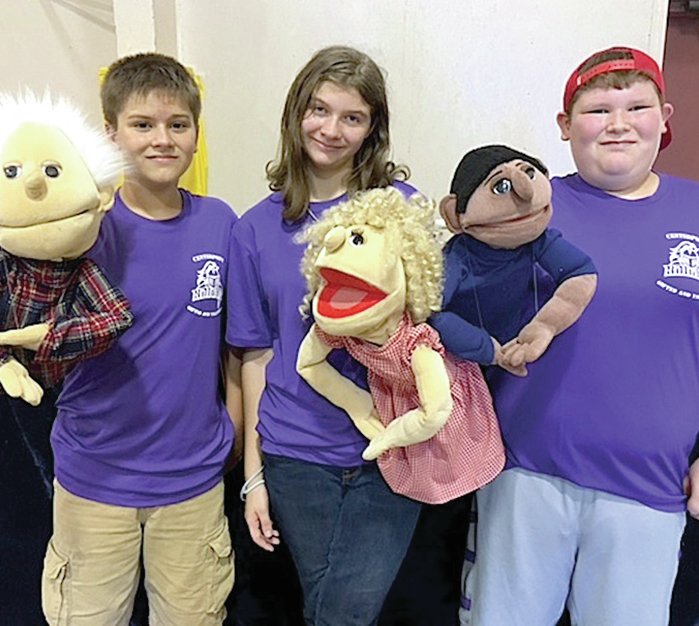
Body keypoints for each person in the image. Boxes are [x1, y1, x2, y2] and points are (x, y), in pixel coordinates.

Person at [457, 46, 699, 626]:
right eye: (597, 110)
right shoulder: (523, 208)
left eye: (636, 105)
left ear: (664, 118)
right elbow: (450, 296)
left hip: (650, 485)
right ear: (565, 126)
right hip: (524, 472)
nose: (618, 123)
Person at [41, 52, 239, 625]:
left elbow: (238, 342)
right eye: (143, 125)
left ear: (196, 135)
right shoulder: (81, 230)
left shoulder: (219, 224)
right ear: (110, 133)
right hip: (94, 477)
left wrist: (229, 430)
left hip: (193, 482)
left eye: (178, 125)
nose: (162, 140)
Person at [227, 45, 422, 625]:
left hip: (391, 448)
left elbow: (427, 330)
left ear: (371, 129)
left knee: (345, 610)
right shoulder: (255, 228)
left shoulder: (401, 212)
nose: (331, 130)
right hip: (294, 454)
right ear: (295, 114)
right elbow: (256, 356)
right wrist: (253, 475)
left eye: (352, 117)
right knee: (332, 609)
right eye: (319, 110)